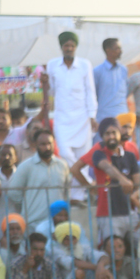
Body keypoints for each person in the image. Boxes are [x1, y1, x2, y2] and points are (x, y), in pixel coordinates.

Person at [45, 31, 97, 175]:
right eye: (66, 46)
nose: (69, 48)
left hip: (82, 118)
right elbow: (51, 92)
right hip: (62, 118)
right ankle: (86, 181)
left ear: (75, 47)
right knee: (64, 153)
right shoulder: (52, 65)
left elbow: (90, 91)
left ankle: (80, 189)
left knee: (83, 157)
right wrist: (45, 83)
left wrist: (92, 116)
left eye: (72, 46)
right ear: (61, 47)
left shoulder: (85, 64)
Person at [7, 128, 72, 231]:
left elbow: (66, 192)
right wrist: (27, 204)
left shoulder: (62, 165)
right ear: (35, 145)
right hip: (33, 222)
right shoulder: (26, 166)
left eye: (50, 143)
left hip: (57, 223)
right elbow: (13, 193)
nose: (47, 147)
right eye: (43, 144)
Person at [94, 38, 129, 129]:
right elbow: (93, 96)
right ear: (108, 50)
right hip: (104, 118)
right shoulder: (97, 71)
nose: (120, 51)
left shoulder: (123, 70)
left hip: (122, 117)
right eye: (117, 48)